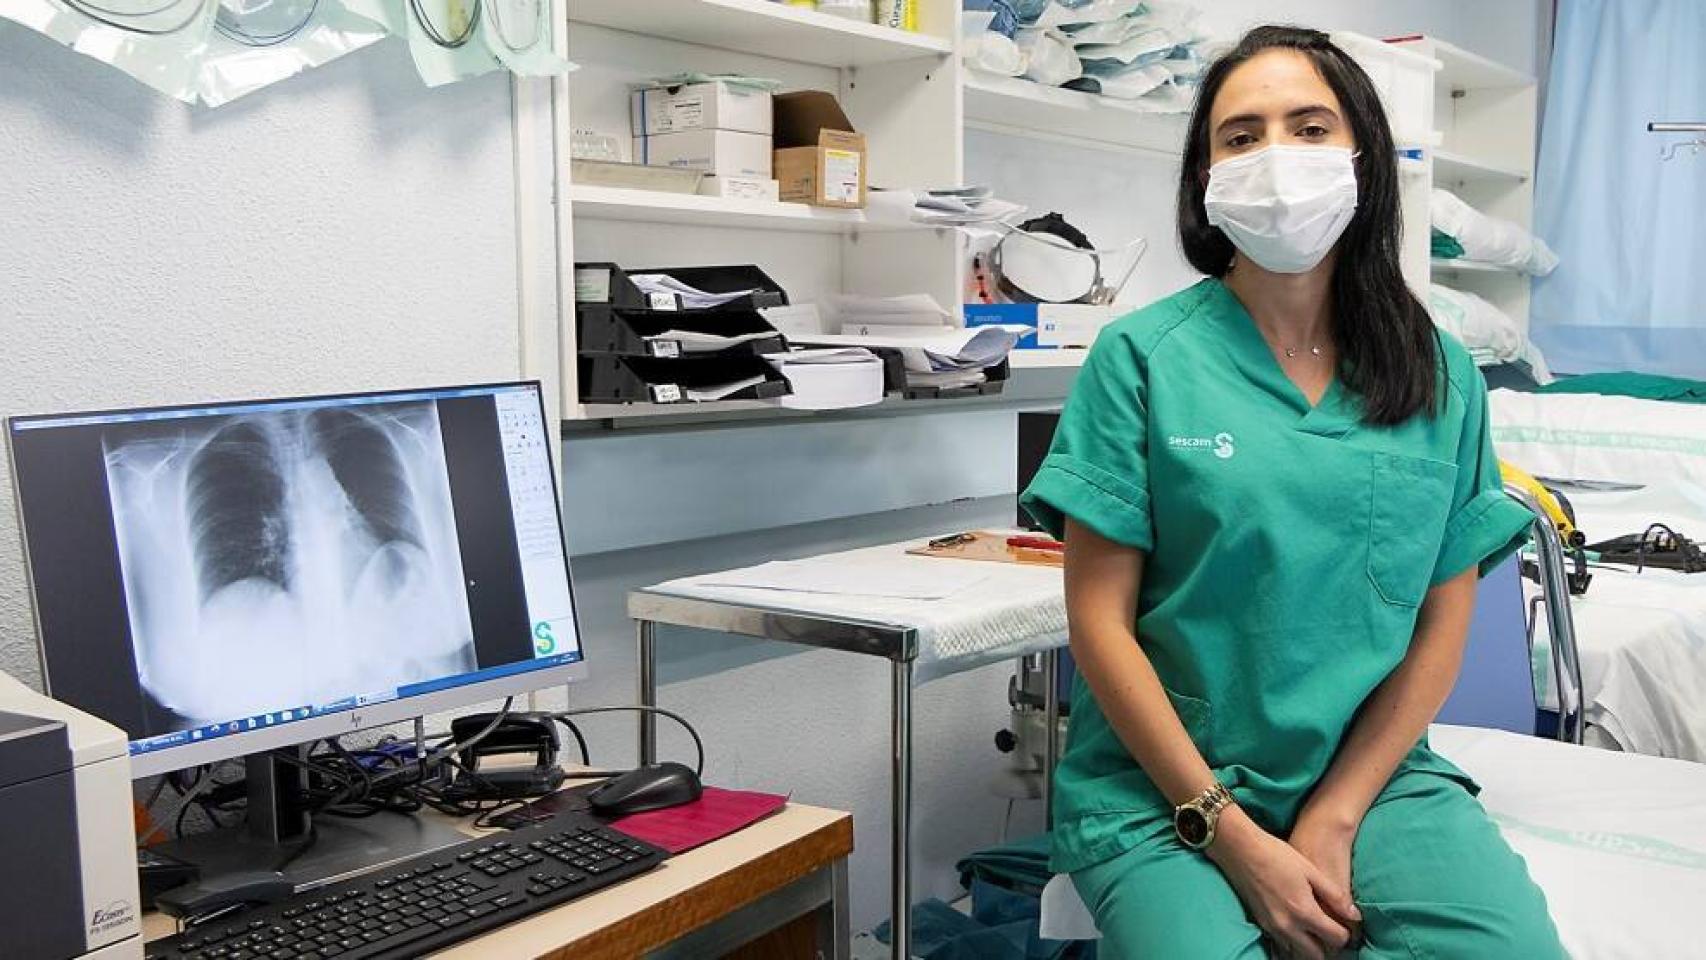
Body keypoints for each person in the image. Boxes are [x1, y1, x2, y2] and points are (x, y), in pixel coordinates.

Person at [1019, 24, 1566, 960]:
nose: (1276, 157)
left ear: (1363, 158)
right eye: (1242, 136)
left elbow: (1442, 620)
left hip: (1369, 776)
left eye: (1310, 127)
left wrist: (1339, 815)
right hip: (1163, 786)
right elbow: (1099, 624)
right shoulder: (1142, 358)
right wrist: (1230, 836)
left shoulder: (1438, 370)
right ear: (1205, 177)